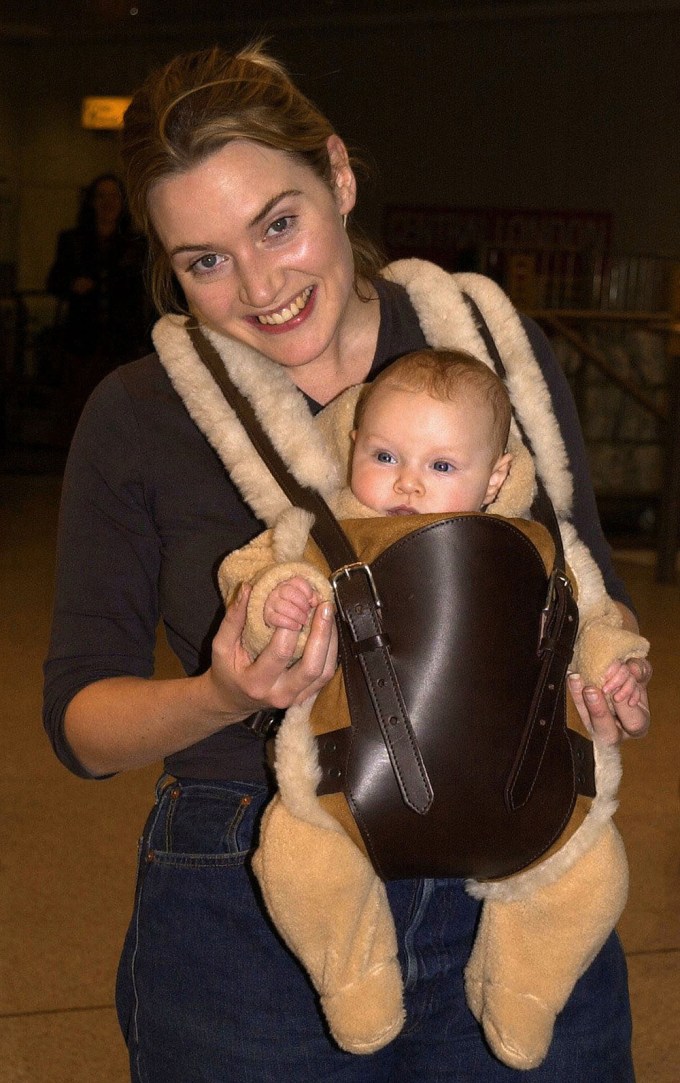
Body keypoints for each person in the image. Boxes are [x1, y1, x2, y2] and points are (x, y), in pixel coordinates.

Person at [42, 42, 651, 1082]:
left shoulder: (486, 350)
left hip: (509, 843)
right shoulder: (136, 415)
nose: (259, 285)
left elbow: (586, 587)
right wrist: (218, 691)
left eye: (277, 223)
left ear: (337, 174)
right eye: (203, 260)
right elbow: (81, 727)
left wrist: (606, 681)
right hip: (253, 885)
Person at [217, 346, 648, 1069]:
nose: (408, 484)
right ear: (353, 443)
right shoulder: (322, 530)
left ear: (497, 475)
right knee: (298, 860)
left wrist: (618, 668)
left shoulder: (544, 541)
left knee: (592, 872)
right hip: (343, 787)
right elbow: (248, 577)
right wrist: (275, 601)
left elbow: (597, 618)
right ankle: (354, 982)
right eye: (385, 455)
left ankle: (524, 990)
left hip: (522, 780)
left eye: (442, 466)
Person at [46, 172, 151, 435]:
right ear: (91, 201)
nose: (107, 202)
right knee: (80, 409)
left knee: (122, 409)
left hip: (122, 341)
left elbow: (145, 290)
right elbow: (54, 281)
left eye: (113, 196)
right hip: (82, 340)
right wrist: (73, 284)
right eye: (101, 196)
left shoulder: (136, 244)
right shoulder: (72, 240)